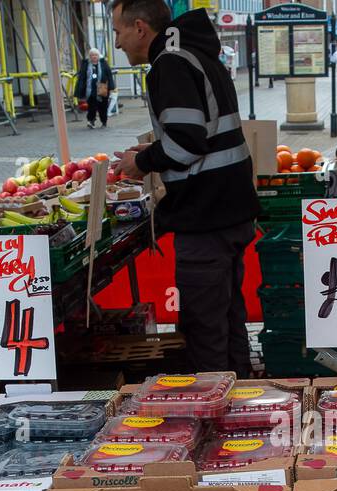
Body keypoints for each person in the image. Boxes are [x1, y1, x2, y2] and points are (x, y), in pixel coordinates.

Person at [110, 0, 258, 377]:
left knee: (205, 331)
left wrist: (140, 163)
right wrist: (154, 152)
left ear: (140, 28)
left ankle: (217, 415)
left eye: (118, 31)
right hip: (230, 209)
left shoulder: (169, 65)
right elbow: (199, 134)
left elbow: (187, 143)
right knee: (228, 321)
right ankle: (242, 400)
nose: (117, 43)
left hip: (206, 217)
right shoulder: (195, 55)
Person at [75, 48, 115, 128]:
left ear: (98, 56)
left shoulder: (103, 63)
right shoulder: (86, 64)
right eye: (92, 55)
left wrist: (111, 87)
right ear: (90, 56)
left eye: (95, 55)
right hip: (91, 89)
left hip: (102, 88)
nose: (94, 57)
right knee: (91, 106)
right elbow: (82, 77)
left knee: (103, 106)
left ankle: (104, 121)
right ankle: (91, 121)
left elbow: (109, 75)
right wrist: (80, 88)